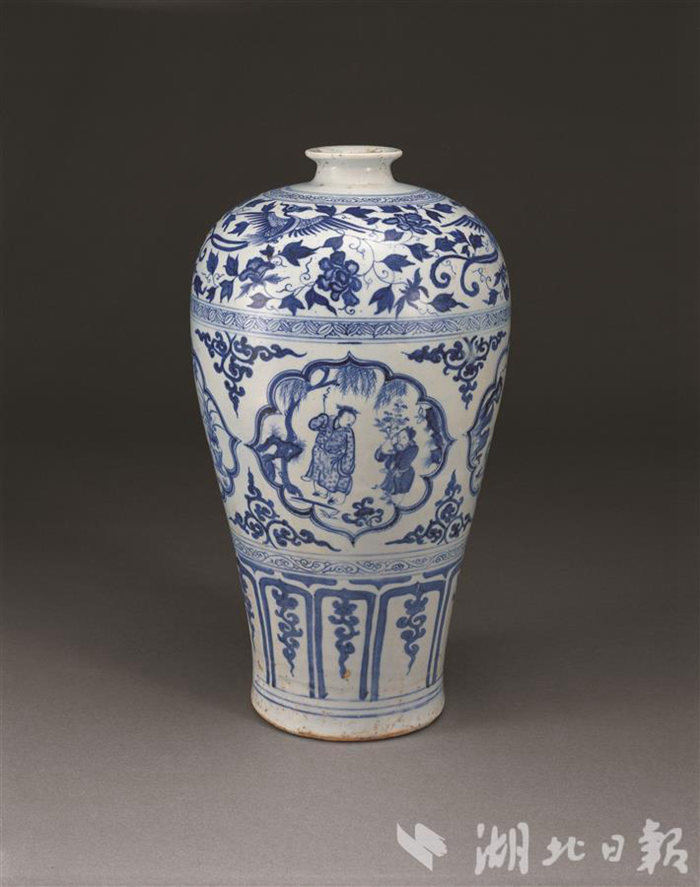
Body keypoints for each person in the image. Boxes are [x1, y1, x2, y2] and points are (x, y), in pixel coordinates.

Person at [303, 406, 358, 504]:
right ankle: (321, 492)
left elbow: (350, 449)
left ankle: (336, 499)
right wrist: (320, 419)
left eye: (352, 422)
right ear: (340, 416)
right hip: (322, 455)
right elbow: (312, 426)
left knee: (336, 478)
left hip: (336, 459)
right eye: (348, 419)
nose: (350, 423)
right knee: (320, 473)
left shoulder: (348, 432)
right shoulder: (327, 420)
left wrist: (348, 464)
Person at [375, 427, 418, 500]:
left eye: (404, 437)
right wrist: (383, 449)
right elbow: (380, 458)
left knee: (398, 495)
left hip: (404, 474)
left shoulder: (413, 449)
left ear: (409, 440)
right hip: (392, 472)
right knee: (385, 491)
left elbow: (403, 463)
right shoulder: (395, 446)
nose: (400, 439)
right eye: (399, 436)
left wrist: (395, 452)